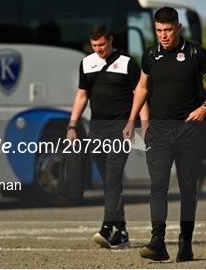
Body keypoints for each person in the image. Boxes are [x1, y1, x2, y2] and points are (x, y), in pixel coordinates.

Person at [123, 7, 206, 262]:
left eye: (168, 30)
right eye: (159, 31)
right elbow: (142, 88)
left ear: (178, 28)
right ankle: (157, 241)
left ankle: (185, 243)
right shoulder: (150, 55)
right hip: (158, 132)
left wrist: (205, 108)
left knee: (188, 189)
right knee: (157, 186)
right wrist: (132, 119)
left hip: (188, 131)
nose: (163, 36)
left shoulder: (194, 53)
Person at [66, 24, 149, 248]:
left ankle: (106, 226)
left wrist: (142, 125)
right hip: (97, 130)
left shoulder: (127, 63)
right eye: (94, 45)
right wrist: (72, 126)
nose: (99, 49)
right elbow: (82, 96)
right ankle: (121, 231)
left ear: (111, 40)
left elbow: (140, 95)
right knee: (107, 181)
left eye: (102, 44)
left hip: (121, 128)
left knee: (113, 179)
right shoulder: (86, 63)